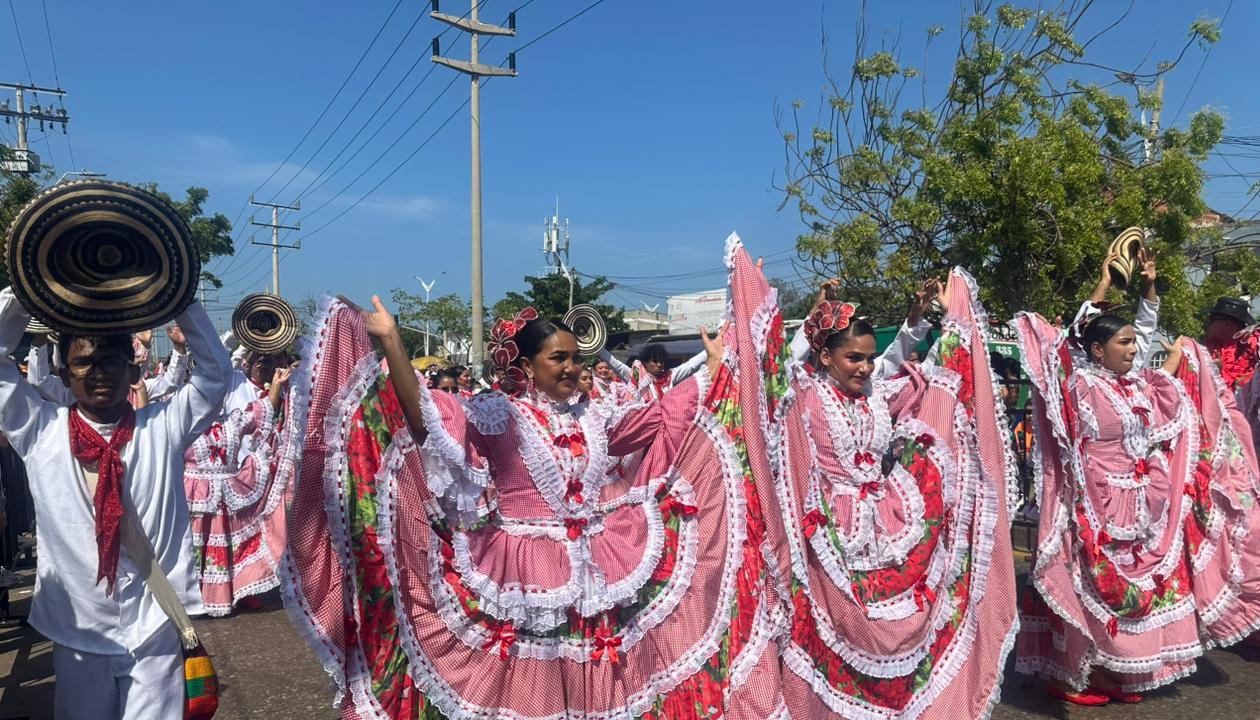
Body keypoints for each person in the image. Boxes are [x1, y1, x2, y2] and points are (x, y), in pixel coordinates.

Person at [280, 269, 787, 719]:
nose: (571, 367)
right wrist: (392, 341)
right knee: (530, 679)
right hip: (524, 569)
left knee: (597, 672)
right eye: (557, 357)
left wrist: (714, 370)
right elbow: (424, 419)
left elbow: (661, 418)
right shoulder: (499, 413)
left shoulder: (595, 414)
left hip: (598, 563)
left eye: (576, 358)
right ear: (526, 366)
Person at [770, 268, 1020, 719]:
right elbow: (775, 370)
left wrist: (935, 323)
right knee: (842, 629)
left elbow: (926, 375)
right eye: (853, 358)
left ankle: (898, 707)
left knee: (902, 625)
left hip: (889, 521)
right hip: (832, 532)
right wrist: (808, 318)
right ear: (825, 356)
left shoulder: (876, 393)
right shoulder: (805, 394)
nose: (865, 367)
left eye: (868, 358)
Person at [1013, 249, 1260, 705]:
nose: (1132, 349)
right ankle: (1067, 674)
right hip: (1091, 502)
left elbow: (1144, 336)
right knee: (1084, 585)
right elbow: (1063, 350)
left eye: (1132, 344)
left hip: (1140, 505)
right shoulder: (1080, 385)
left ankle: (1109, 666)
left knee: (1128, 590)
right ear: (1097, 351)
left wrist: (1148, 289)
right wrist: (1105, 284)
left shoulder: (1138, 386)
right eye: (1122, 344)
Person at [0, 287, 231, 718]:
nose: (98, 372)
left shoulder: (163, 426)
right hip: (77, 625)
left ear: (132, 370)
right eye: (83, 362)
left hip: (154, 622)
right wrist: (25, 292)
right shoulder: (39, 430)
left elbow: (216, 374)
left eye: (110, 361)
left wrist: (181, 297)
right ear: (64, 374)